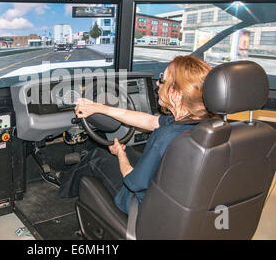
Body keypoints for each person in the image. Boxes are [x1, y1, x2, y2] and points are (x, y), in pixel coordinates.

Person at [57, 55, 214, 214]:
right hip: (180, 202)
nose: (158, 84)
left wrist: (119, 154)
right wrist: (99, 108)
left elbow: (132, 180)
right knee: (130, 151)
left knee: (97, 156)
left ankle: (63, 183)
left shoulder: (165, 137)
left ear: (177, 94)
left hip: (142, 207)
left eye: (162, 80)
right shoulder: (205, 124)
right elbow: (151, 122)